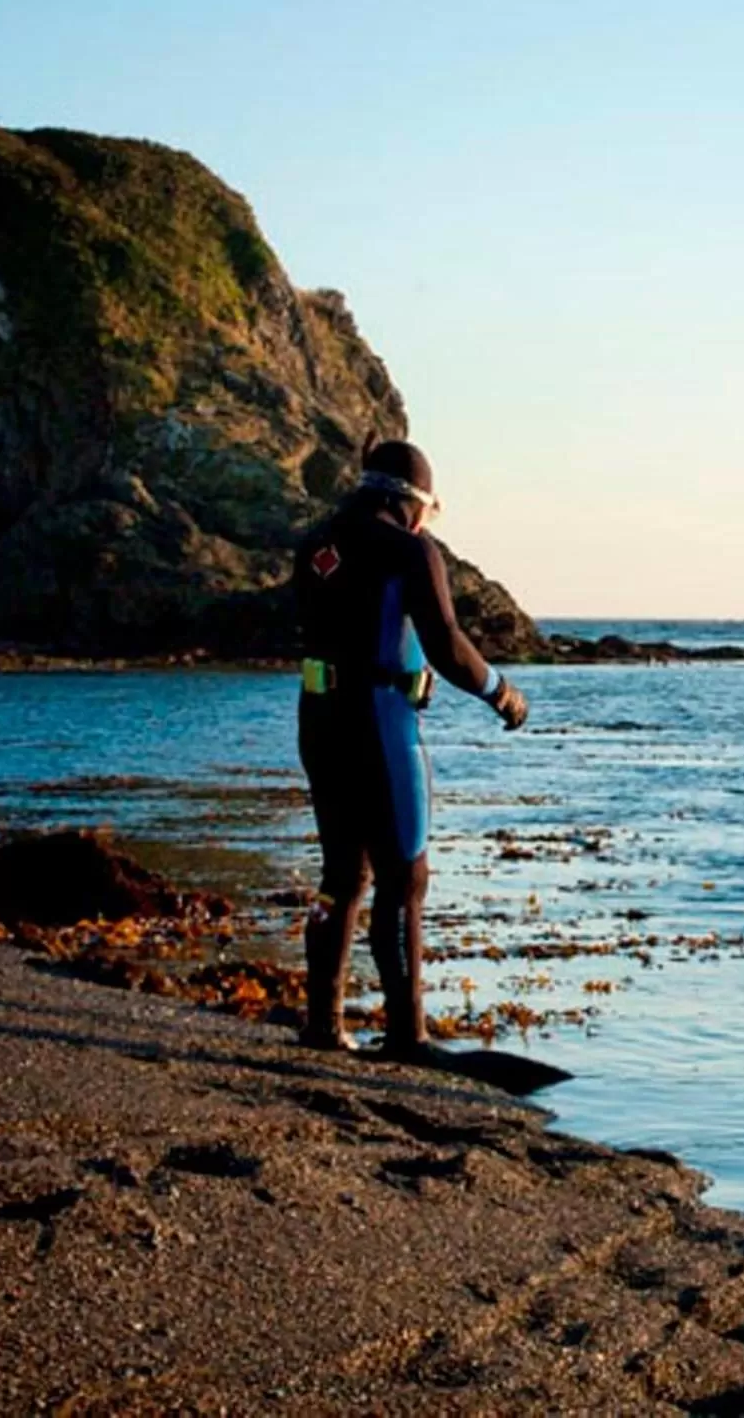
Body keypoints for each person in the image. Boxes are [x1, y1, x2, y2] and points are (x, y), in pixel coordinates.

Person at [293, 440, 528, 1057]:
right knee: (406, 877)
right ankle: (407, 1034)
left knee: (342, 874)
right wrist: (501, 692)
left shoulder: (316, 542)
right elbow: (446, 643)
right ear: (414, 503)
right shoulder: (409, 549)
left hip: (318, 718)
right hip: (381, 719)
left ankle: (323, 1024)